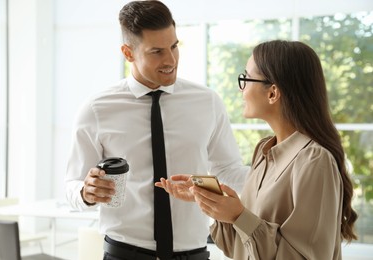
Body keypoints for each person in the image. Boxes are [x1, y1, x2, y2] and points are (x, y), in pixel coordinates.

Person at [65, 1, 249, 260]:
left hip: (193, 253)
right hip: (124, 253)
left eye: (174, 46)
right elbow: (72, 183)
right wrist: (85, 192)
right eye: (157, 52)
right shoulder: (96, 109)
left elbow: (228, 170)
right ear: (128, 52)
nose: (171, 60)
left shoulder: (207, 102)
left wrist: (279, 176)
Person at [158, 40, 358, 259]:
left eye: (246, 78)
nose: (240, 88)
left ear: (273, 93)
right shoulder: (264, 150)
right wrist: (212, 199)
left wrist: (238, 215)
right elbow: (240, 248)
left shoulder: (314, 160)